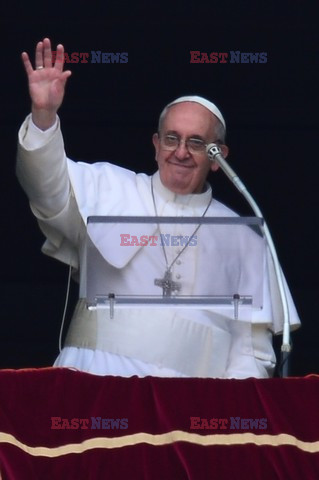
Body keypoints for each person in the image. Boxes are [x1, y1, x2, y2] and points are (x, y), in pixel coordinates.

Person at [16, 38, 300, 378]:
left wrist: (229, 420)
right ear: (156, 145)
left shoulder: (244, 236)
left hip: (188, 405)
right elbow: (46, 187)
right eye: (171, 138)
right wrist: (44, 116)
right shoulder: (109, 187)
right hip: (93, 384)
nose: (180, 152)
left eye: (196, 143)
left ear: (217, 158)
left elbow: (249, 352)